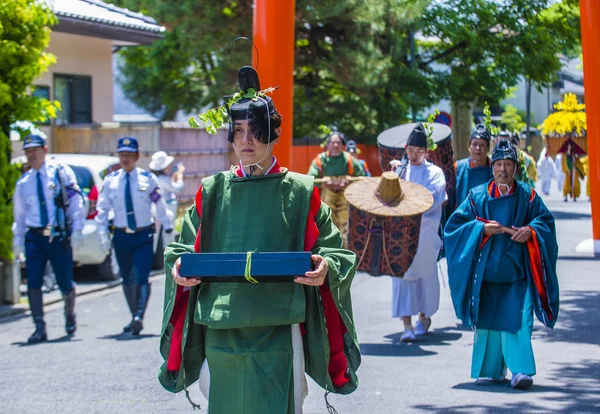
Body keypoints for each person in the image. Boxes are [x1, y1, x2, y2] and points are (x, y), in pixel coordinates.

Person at [159, 66, 360, 414]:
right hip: (220, 323)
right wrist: (178, 266)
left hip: (280, 323)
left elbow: (335, 251)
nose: (246, 140)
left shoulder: (301, 191)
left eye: (256, 131)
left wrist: (326, 266)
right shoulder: (211, 191)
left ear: (274, 133)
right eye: (238, 131)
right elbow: (180, 249)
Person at [445, 140, 559, 390]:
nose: (503, 170)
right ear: (492, 168)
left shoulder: (528, 196)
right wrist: (481, 229)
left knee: (518, 320)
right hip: (487, 272)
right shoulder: (477, 197)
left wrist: (530, 231)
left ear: (516, 168)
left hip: (518, 272)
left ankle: (520, 371)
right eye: (498, 164)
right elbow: (453, 228)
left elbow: (546, 223)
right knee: (489, 321)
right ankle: (493, 369)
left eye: (508, 164)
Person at [95, 137, 173, 335]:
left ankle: (139, 315)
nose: (125, 159)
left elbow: (160, 204)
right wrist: (102, 233)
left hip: (143, 234)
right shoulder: (111, 181)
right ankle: (134, 315)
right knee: (127, 277)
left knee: (142, 275)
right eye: (122, 155)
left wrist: (168, 227)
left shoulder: (147, 179)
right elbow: (102, 209)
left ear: (137, 156)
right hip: (121, 235)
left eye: (129, 155)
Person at [12, 134, 85, 343]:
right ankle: (39, 327)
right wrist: (18, 240)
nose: (31, 155)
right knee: (33, 282)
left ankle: (69, 315)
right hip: (35, 237)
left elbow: (75, 201)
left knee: (64, 281)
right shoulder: (23, 183)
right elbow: (20, 215)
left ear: (44, 150)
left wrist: (77, 229)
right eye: (27, 151)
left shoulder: (59, 174)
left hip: (58, 236)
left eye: (35, 150)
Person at [389, 124, 447, 342]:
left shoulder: (435, 173)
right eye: (411, 149)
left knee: (425, 277)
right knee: (402, 278)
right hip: (402, 233)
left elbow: (432, 199)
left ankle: (423, 317)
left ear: (426, 152)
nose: (414, 154)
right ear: (405, 148)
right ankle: (406, 324)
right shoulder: (399, 171)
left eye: (419, 150)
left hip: (425, 233)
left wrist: (409, 201)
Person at [307, 131, 365, 246]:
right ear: (328, 144)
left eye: (338, 143)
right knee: (328, 223)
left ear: (343, 145)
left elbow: (361, 177)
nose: (335, 145)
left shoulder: (349, 159)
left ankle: (345, 249)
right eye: (333, 143)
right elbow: (310, 178)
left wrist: (348, 182)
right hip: (327, 195)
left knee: (346, 224)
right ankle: (329, 249)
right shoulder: (320, 160)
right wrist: (324, 183)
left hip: (345, 196)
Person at [453, 123, 493, 210]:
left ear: (488, 148)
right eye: (474, 144)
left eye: (482, 145)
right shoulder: (458, 167)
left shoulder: (495, 169)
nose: (478, 148)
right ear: (469, 147)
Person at [150, 150, 185, 243]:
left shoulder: (154, 177)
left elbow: (168, 186)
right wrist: (180, 175)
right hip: (167, 209)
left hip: (157, 209)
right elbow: (177, 188)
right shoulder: (162, 179)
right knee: (168, 234)